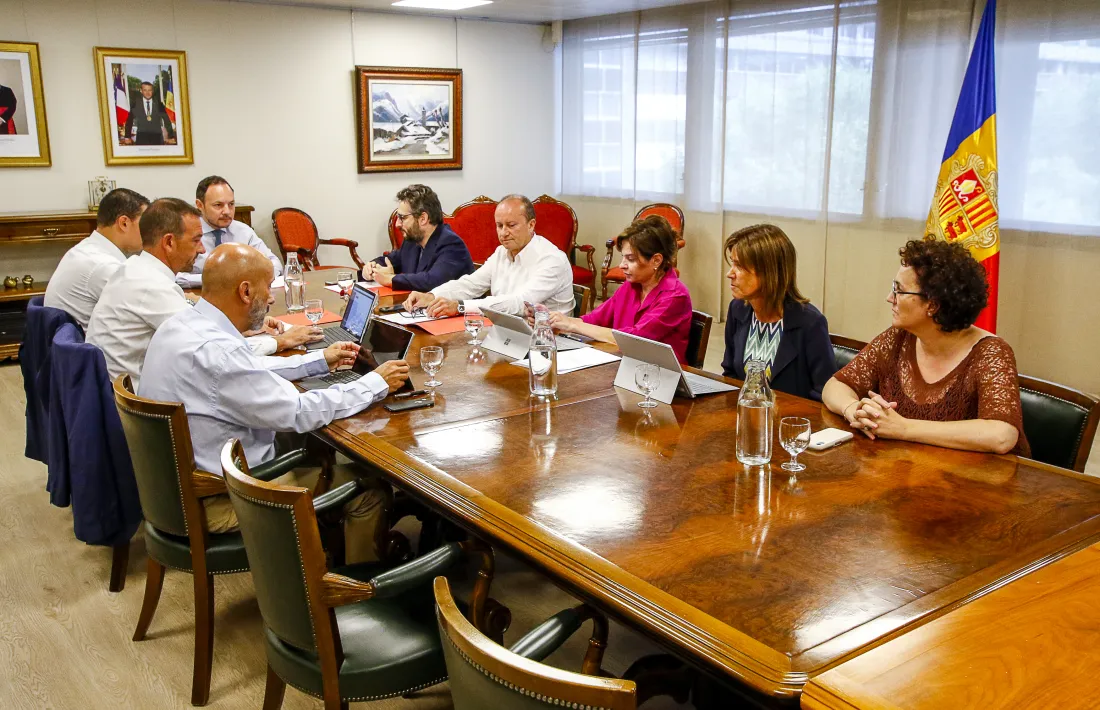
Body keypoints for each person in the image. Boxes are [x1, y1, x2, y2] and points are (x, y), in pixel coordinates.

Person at [140, 244, 411, 562]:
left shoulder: (181, 326)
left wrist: (318, 361)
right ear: (245, 291)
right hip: (219, 501)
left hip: (170, 495)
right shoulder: (220, 353)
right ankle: (355, 586)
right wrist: (375, 382)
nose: (271, 298)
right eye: (268, 287)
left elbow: (245, 369)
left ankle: (323, 548)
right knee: (370, 488)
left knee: (311, 446)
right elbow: (299, 412)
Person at [822, 238, 1029, 456]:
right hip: (905, 467)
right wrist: (854, 410)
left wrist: (904, 429)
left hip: (975, 475)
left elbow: (1001, 435)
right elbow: (835, 386)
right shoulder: (898, 338)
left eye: (899, 290)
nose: (889, 298)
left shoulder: (991, 352)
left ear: (932, 304)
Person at [86, 198, 317, 388]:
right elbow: (218, 352)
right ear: (169, 242)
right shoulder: (150, 286)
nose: (202, 248)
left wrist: (240, 322)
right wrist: (280, 342)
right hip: (147, 406)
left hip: (129, 392)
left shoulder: (136, 270)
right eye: (196, 240)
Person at [546, 215, 693, 362]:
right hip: (625, 363)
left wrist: (572, 325)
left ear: (656, 260)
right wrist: (558, 321)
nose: (622, 265)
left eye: (631, 259)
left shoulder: (675, 296)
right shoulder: (631, 286)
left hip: (658, 371)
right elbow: (594, 320)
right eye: (623, 257)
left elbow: (633, 340)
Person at [404, 194, 574, 317]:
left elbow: (520, 303)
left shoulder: (552, 259)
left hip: (552, 341)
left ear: (531, 225)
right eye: (499, 226)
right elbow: (471, 284)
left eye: (511, 225)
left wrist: (460, 307)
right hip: (508, 333)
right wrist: (432, 296)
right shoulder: (501, 252)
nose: (504, 233)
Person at [721, 224, 835, 400]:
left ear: (769, 271)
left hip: (793, 416)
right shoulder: (737, 310)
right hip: (744, 413)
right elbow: (730, 375)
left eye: (740, 266)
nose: (730, 273)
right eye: (732, 263)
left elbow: (824, 393)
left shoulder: (810, 323)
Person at [44, 188, 149, 328]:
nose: (149, 231)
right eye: (145, 224)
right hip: (89, 341)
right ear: (124, 223)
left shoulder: (87, 250)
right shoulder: (102, 265)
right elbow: (148, 308)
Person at [175, 176, 283, 288]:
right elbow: (172, 276)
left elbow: (274, 264)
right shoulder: (185, 233)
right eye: (218, 205)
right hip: (197, 294)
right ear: (200, 205)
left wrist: (251, 277)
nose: (227, 211)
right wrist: (214, 279)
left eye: (231, 204)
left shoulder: (243, 231)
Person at [366, 184, 474, 291]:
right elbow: (390, 260)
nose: (397, 224)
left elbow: (431, 281)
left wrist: (391, 279)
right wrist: (372, 268)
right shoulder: (412, 241)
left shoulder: (451, 244)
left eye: (402, 218)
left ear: (423, 219)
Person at [121, 82, 175, 146]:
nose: (147, 93)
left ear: (152, 91)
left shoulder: (158, 104)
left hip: (157, 139)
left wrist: (171, 136)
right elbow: (129, 121)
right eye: (145, 90)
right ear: (141, 91)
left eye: (149, 90)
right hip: (141, 139)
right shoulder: (136, 104)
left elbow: (167, 120)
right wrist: (127, 137)